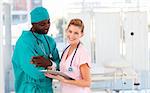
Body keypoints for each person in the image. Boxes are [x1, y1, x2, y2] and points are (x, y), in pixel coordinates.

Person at [12, 6, 60, 93]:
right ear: (33, 24)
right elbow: (35, 72)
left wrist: (49, 63)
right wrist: (53, 67)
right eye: (42, 24)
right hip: (29, 89)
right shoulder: (24, 43)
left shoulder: (50, 41)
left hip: (47, 90)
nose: (47, 26)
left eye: (48, 22)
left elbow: (60, 65)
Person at [45, 18, 92, 93]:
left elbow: (87, 82)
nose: (71, 35)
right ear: (66, 31)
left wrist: (65, 81)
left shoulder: (82, 53)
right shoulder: (66, 50)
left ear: (82, 34)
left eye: (76, 33)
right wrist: (53, 73)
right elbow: (64, 72)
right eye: (70, 31)